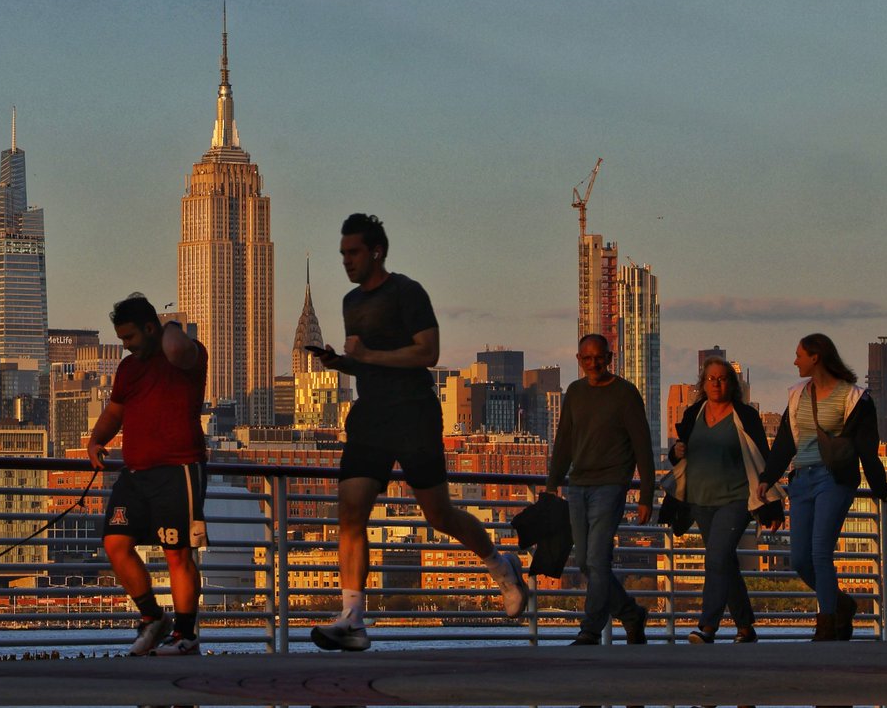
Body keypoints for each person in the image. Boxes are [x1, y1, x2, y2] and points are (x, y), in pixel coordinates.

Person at [308, 213, 528, 652]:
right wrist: (341, 363)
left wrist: (368, 354)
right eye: (342, 254)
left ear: (376, 251)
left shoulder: (408, 292)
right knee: (350, 512)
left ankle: (501, 567)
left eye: (353, 253)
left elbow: (428, 352)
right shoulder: (352, 303)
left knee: (438, 515)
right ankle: (352, 618)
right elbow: (366, 360)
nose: (346, 262)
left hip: (413, 414)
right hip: (370, 416)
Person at [86, 294, 209, 656]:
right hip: (136, 473)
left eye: (131, 338)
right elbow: (115, 410)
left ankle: (186, 634)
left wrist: (169, 326)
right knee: (115, 543)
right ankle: (153, 617)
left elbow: (175, 347)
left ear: (151, 328)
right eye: (122, 338)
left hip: (178, 469)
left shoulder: (186, 356)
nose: (126, 346)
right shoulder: (128, 369)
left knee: (177, 553)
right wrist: (95, 441)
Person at [758, 333, 887, 641]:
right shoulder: (797, 395)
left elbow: (867, 448)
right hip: (801, 480)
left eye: (799, 355)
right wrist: (767, 478)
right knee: (799, 559)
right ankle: (841, 603)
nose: (794, 361)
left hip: (834, 479)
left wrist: (881, 490)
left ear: (816, 357)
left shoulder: (854, 398)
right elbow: (784, 444)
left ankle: (826, 623)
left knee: (820, 551)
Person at [546, 333, 655, 646]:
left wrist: (645, 495)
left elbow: (643, 448)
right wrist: (553, 482)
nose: (593, 363)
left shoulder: (626, 394)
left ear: (610, 358)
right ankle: (631, 614)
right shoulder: (575, 392)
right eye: (586, 358)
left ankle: (590, 629)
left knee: (597, 560)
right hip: (578, 484)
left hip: (611, 485)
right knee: (584, 561)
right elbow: (564, 440)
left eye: (599, 357)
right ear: (578, 360)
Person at [670, 357, 782, 645]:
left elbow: (762, 459)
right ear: (702, 384)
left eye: (722, 379)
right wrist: (676, 451)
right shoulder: (694, 413)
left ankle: (707, 627)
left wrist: (773, 504)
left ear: (732, 384)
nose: (716, 384)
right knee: (725, 563)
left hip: (736, 499)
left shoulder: (745, 415)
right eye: (711, 379)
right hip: (700, 500)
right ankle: (745, 627)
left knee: (716, 558)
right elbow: (680, 452)